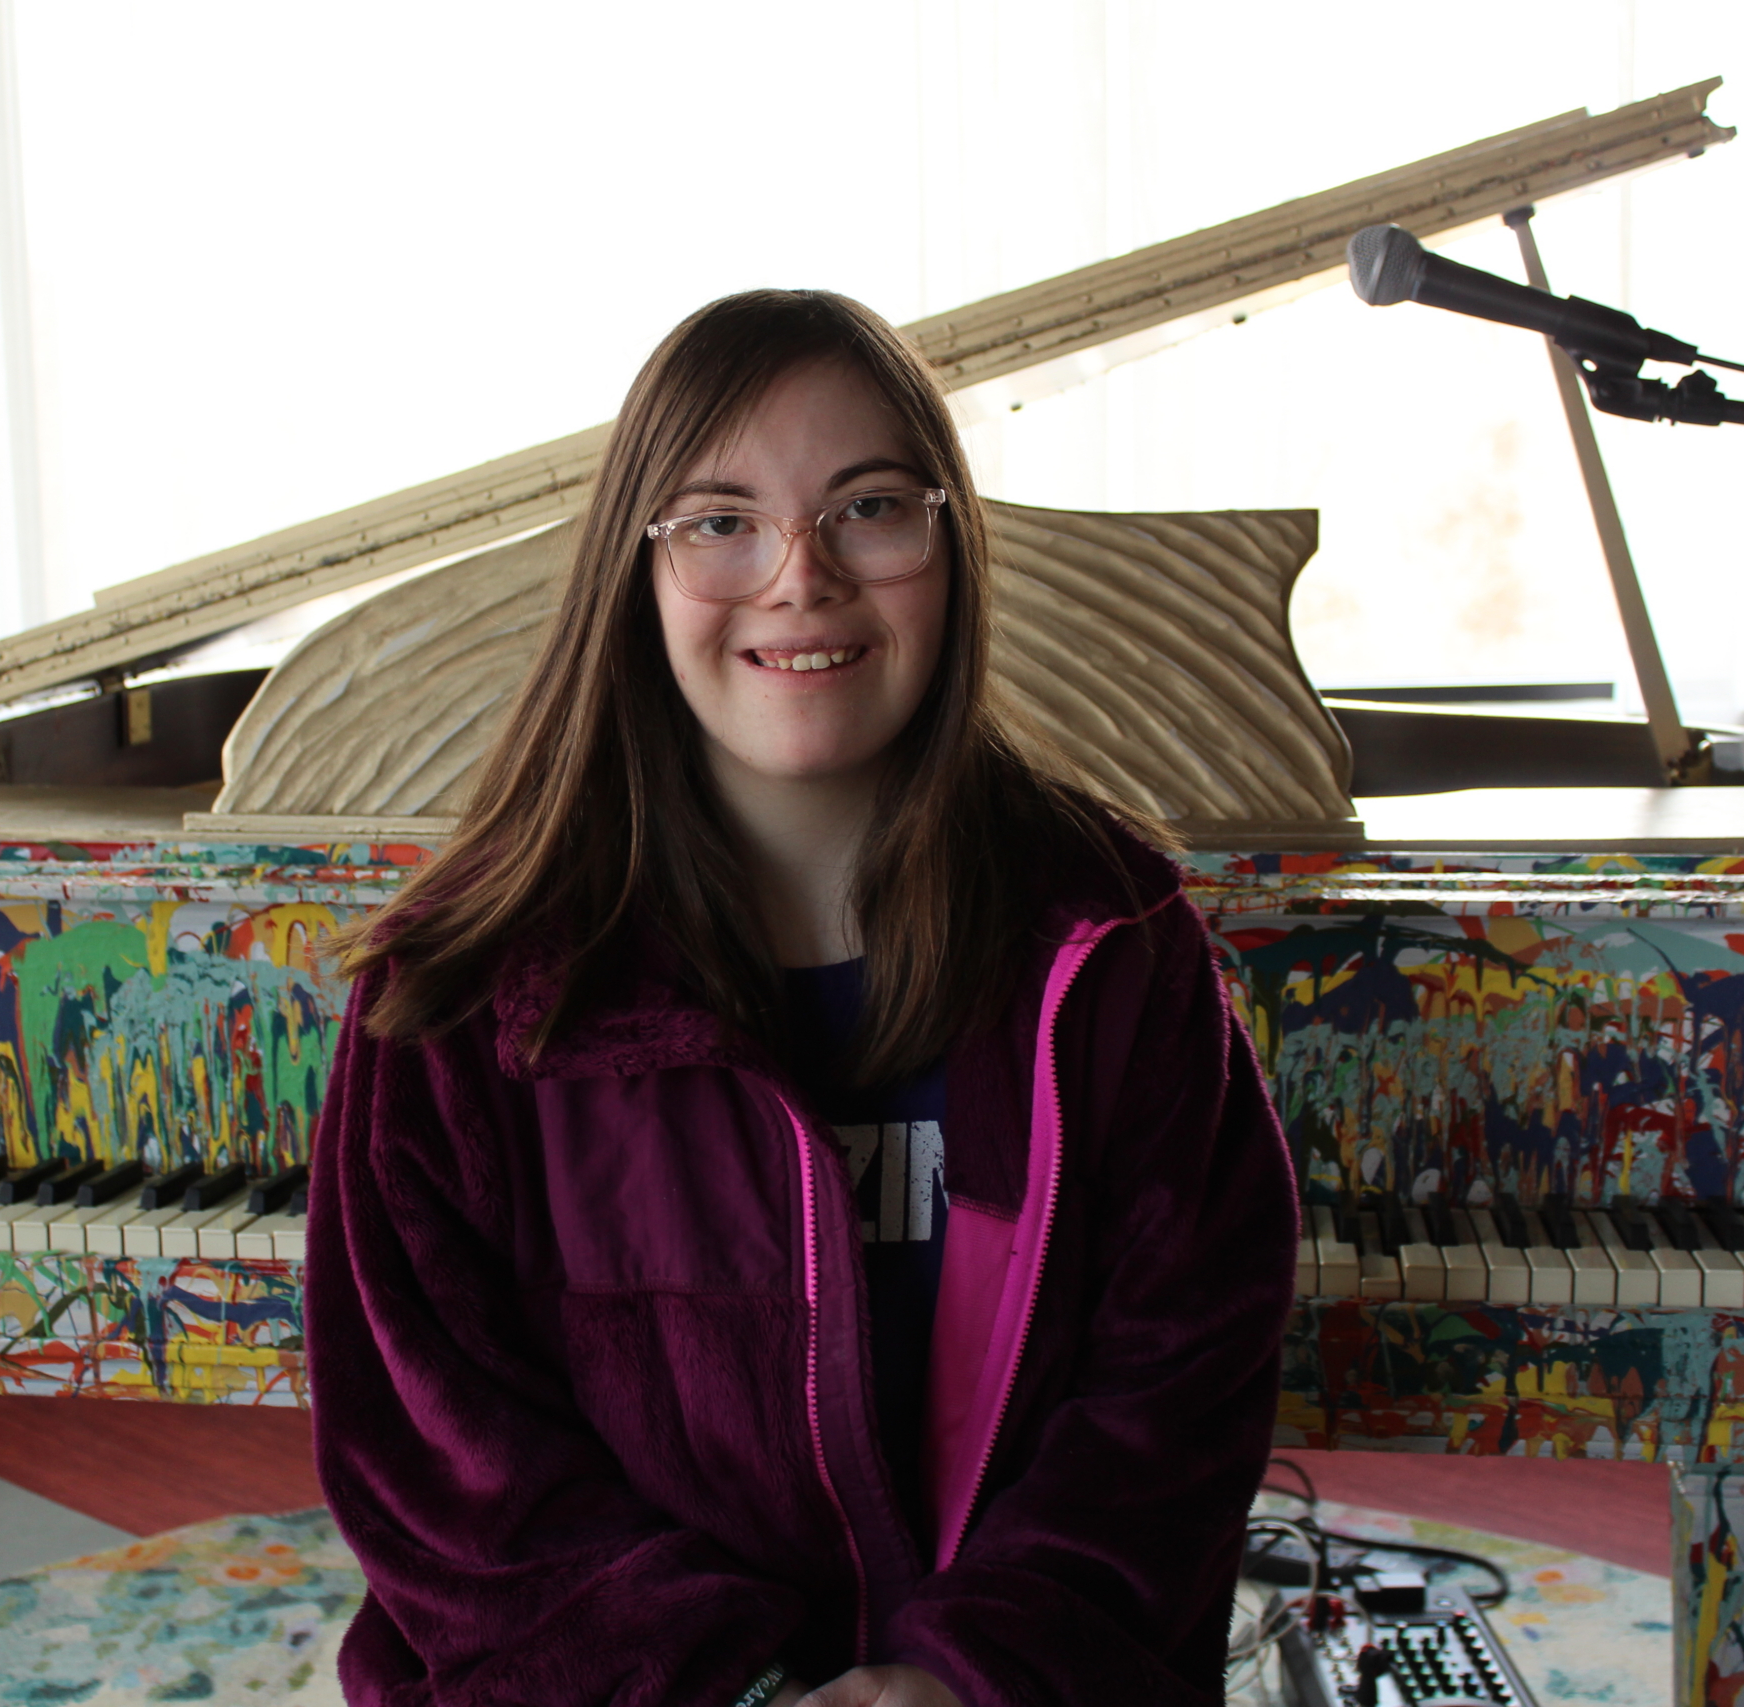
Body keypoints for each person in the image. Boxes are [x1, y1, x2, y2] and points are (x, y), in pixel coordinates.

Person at [305, 288, 1298, 1707]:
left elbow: (1175, 1404)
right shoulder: (462, 989)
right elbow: (441, 1466)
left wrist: (970, 1678)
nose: (800, 577)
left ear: (952, 546)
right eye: (720, 520)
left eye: (871, 508)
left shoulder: (1116, 943)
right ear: (634, 570)